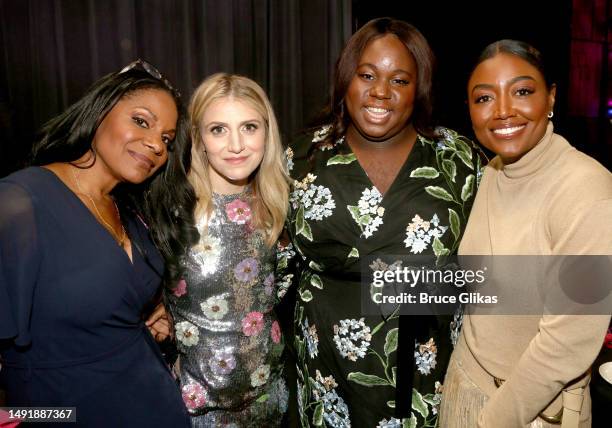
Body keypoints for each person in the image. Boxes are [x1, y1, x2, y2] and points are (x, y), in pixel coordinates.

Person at [284, 17, 482, 427]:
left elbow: (494, 255)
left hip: (428, 368)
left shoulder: (457, 156)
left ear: (419, 88)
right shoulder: (303, 156)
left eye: (399, 80)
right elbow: (270, 256)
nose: (380, 91)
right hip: (327, 369)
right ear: (347, 80)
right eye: (368, 75)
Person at [0, 59, 196, 427]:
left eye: (167, 140)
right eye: (141, 121)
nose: (156, 144)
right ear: (100, 110)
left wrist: (151, 314)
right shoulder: (20, 201)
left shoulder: (132, 212)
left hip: (153, 403)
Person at [438, 40, 612, 428]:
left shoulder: (588, 189)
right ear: (469, 110)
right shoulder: (494, 171)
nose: (503, 111)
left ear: (550, 97)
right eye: (484, 98)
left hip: (530, 414)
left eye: (522, 91)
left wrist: (491, 422)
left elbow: (568, 345)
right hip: (466, 387)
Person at [165, 73, 290, 427]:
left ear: (267, 133)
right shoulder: (173, 211)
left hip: (270, 402)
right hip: (194, 410)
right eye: (218, 129)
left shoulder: (280, 204)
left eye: (249, 127)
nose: (236, 144)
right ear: (199, 139)